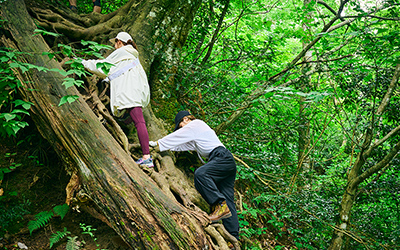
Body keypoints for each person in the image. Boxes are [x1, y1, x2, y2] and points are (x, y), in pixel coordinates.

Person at [149, 111, 239, 240]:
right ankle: (233, 238)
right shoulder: (197, 133)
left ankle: (219, 205)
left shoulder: (196, 124)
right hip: (225, 162)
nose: (181, 128)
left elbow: (177, 136)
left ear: (186, 119)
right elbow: (181, 144)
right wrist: (161, 147)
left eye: (180, 125)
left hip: (221, 158)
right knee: (228, 199)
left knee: (201, 174)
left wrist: (157, 143)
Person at [81, 32, 153, 167]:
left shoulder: (122, 52)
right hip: (136, 91)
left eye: (115, 43)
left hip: (130, 92)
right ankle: (146, 156)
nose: (114, 46)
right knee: (131, 119)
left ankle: (147, 157)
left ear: (120, 42)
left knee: (139, 122)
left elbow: (103, 66)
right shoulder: (132, 54)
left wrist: (83, 62)